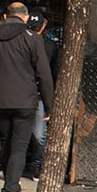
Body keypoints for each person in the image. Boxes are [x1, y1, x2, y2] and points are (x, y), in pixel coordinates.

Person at [0, 0, 53, 192]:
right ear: (25, 16)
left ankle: (9, 187)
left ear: (5, 16)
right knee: (19, 147)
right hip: (25, 100)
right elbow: (44, 75)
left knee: (6, 143)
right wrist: (49, 105)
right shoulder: (31, 38)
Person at [25, 12, 58, 180]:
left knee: (38, 134)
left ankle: (35, 165)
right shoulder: (22, 41)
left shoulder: (49, 46)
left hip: (37, 94)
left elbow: (49, 74)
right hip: (25, 93)